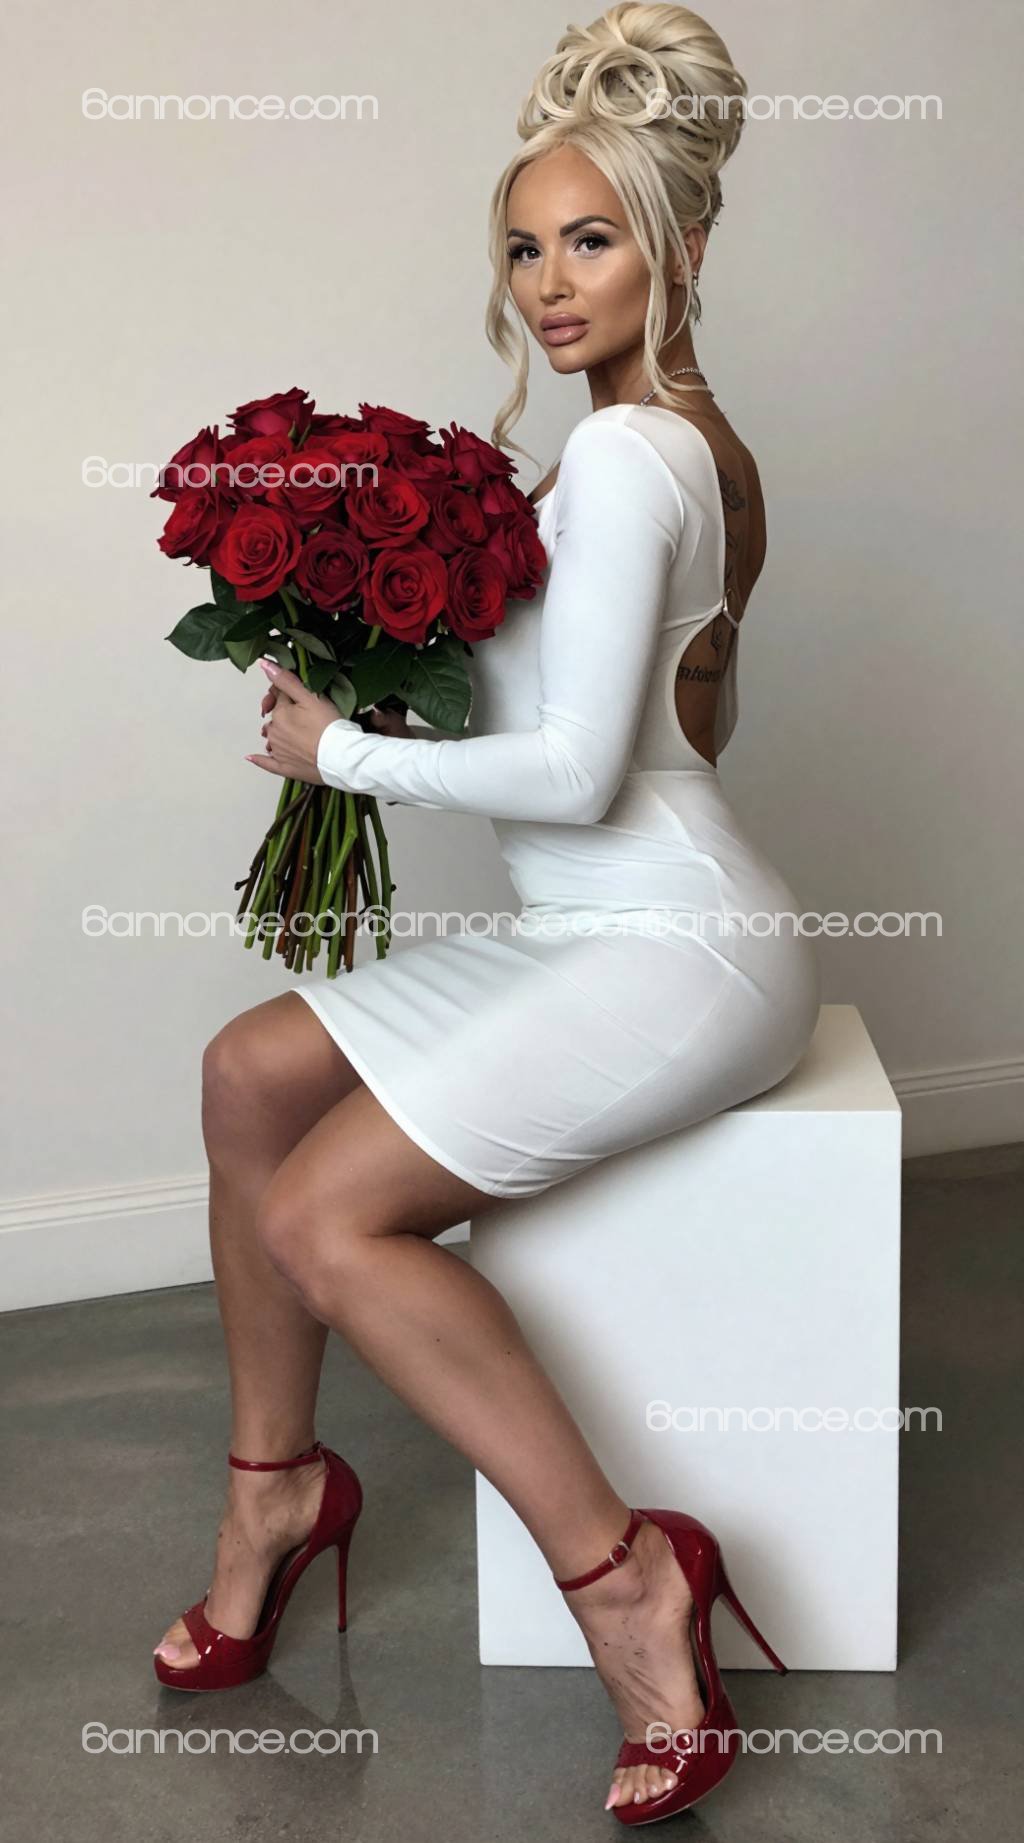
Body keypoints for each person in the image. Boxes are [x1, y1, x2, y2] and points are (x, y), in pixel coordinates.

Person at [153, 4, 819, 1821]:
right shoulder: (680, 448)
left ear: (682, 241)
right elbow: (674, 717)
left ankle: (629, 1581)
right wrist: (383, 634)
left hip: (676, 943)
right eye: (524, 247)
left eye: (592, 240)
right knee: (245, 1074)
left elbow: (589, 778)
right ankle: (278, 1491)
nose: (548, 284)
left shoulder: (629, 457)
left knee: (324, 1215)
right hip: (590, 928)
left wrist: (344, 753)